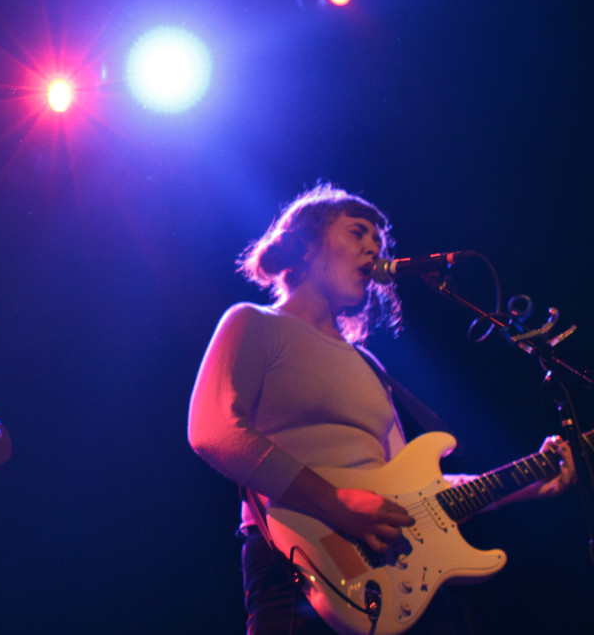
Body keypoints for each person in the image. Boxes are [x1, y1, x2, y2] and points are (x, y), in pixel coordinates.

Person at [186, 183, 574, 635]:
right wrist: (334, 503)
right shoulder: (254, 322)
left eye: (379, 240)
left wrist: (530, 482)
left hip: (395, 573)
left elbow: (417, 493)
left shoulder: (369, 365)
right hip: (297, 563)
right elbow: (212, 430)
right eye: (357, 232)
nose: (374, 247)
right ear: (306, 244)